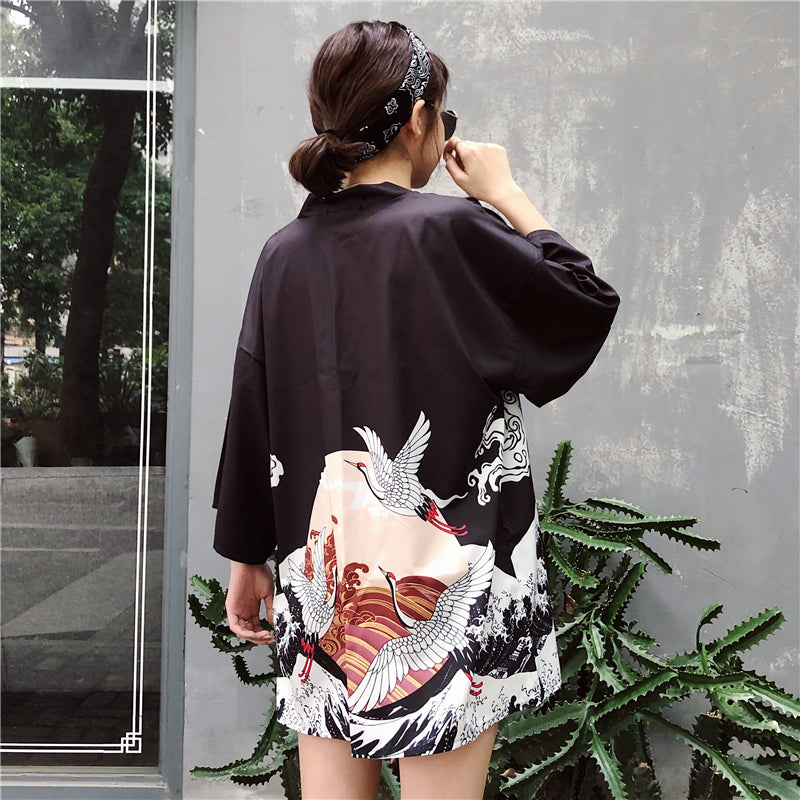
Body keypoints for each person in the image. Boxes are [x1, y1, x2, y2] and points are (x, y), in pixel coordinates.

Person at [212, 19, 619, 800]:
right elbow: (582, 303)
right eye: (444, 115)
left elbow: (252, 406)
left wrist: (245, 554)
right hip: (443, 588)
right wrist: (505, 194)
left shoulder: (284, 252)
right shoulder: (453, 230)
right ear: (418, 119)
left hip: (322, 578)